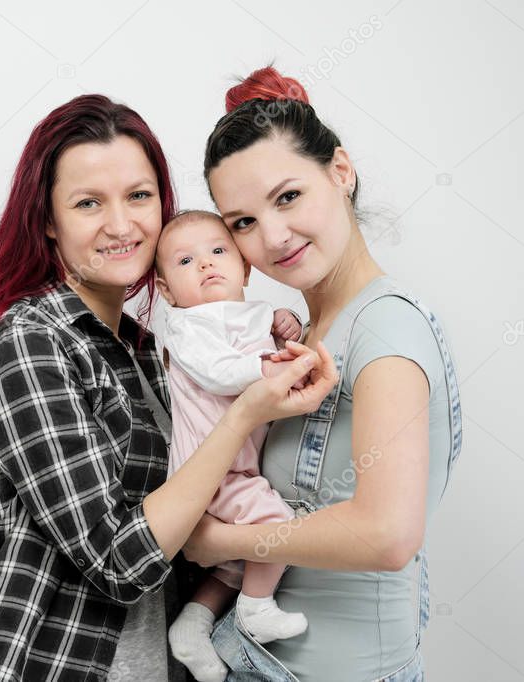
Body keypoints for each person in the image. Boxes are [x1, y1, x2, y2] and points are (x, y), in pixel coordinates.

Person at [0, 93, 336, 681]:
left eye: (139, 196)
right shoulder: (25, 346)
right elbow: (118, 561)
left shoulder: (148, 348)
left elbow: (190, 513)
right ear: (48, 221)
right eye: (88, 203)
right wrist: (245, 414)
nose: (121, 225)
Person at [182, 66, 463, 681]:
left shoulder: (385, 329)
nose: (273, 237)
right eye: (243, 223)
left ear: (339, 171)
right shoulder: (301, 332)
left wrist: (220, 543)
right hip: (250, 659)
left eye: (287, 197)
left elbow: (387, 535)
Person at [153, 210, 309, 681]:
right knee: (277, 526)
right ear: (165, 290)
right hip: (209, 470)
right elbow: (219, 371)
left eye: (218, 252)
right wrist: (267, 368)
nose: (205, 265)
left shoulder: (252, 312)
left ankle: (192, 624)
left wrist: (287, 321)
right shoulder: (187, 326)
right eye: (185, 261)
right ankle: (256, 610)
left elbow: (270, 332)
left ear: (245, 268)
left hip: (241, 466)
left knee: (238, 560)